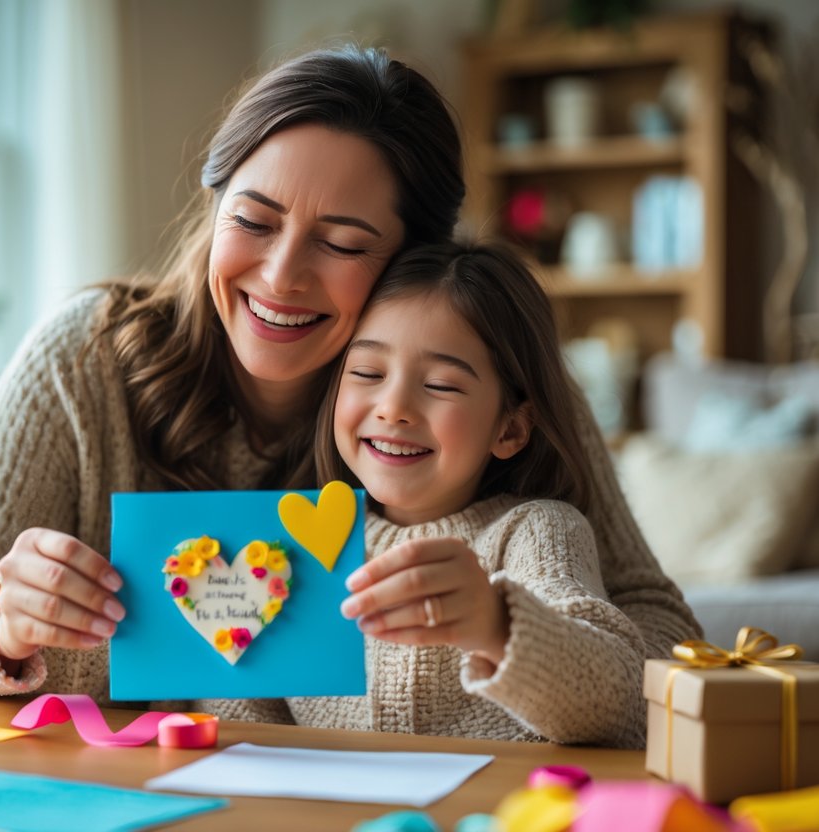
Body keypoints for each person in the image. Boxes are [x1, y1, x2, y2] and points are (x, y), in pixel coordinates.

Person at [0, 44, 698, 703]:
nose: (280, 276)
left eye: (340, 243)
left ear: (415, 263)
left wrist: (503, 632)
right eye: (253, 221)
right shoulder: (85, 356)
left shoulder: (480, 385)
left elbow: (660, 633)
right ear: (215, 207)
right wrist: (1, 620)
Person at [263, 242, 644, 747]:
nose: (394, 407)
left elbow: (618, 701)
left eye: (441, 385)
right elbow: (238, 710)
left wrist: (496, 624)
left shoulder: (536, 532)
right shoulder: (289, 546)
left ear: (509, 429)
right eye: (368, 373)